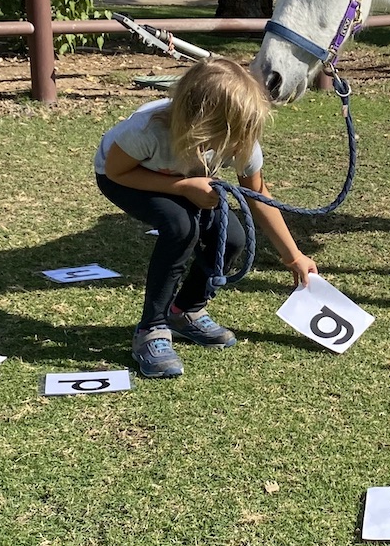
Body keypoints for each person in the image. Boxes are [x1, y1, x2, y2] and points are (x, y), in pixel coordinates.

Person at [94, 57, 317, 378]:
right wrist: (184, 186)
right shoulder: (147, 131)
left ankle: (185, 311)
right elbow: (116, 172)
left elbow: (259, 196)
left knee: (233, 239)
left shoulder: (242, 136)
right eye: (234, 134)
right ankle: (151, 329)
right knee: (181, 228)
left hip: (187, 177)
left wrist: (293, 255)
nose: (243, 143)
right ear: (202, 124)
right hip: (128, 176)